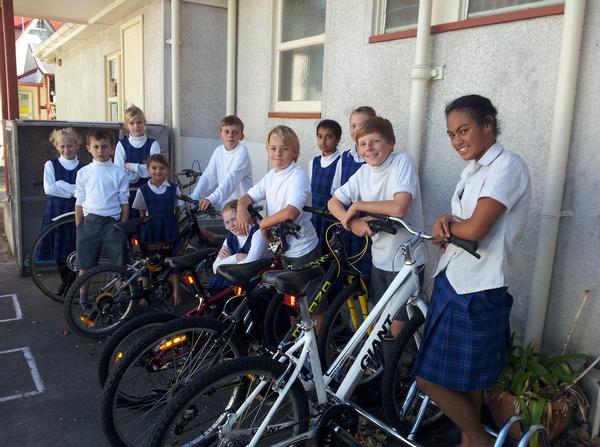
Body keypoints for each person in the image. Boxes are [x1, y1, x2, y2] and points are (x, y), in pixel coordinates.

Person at [413, 95, 531, 447]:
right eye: (450, 134)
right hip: (455, 279)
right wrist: (447, 222)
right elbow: (463, 223)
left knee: (428, 379)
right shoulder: (474, 170)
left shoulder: (507, 165)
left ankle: (479, 440)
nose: (456, 140)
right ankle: (469, 440)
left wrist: (444, 225)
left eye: (463, 130)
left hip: (477, 288)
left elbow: (477, 227)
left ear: (488, 124)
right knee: (467, 382)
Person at [328, 116, 425, 339]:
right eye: (362, 144)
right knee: (383, 317)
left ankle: (392, 371)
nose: (368, 149)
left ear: (390, 143)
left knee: (398, 326)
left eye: (375, 142)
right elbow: (333, 202)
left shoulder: (402, 162)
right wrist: (351, 222)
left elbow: (400, 206)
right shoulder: (363, 173)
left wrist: (359, 205)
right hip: (379, 258)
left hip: (406, 260)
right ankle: (385, 365)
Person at [236, 125, 319, 270]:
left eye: (284, 149)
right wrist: (241, 207)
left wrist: (263, 225)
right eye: (273, 148)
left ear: (295, 152)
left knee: (305, 291)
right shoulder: (271, 175)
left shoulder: (297, 175)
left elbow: (290, 212)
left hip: (302, 250)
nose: (278, 153)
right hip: (281, 247)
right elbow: (248, 196)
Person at [75, 128, 129, 307]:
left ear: (112, 148)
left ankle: (121, 296)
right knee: (85, 264)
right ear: (88, 148)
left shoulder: (119, 173)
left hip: (112, 224)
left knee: (118, 263)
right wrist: (79, 226)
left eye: (104, 146)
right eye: (96, 146)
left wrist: (123, 226)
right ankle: (83, 297)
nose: (100, 150)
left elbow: (124, 203)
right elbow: (80, 201)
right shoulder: (84, 173)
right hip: (89, 223)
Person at [36, 128, 85, 293]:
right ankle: (67, 283)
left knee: (76, 248)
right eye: (62, 146)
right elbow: (49, 188)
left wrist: (61, 184)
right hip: (57, 211)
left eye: (70, 146)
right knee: (60, 250)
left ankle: (73, 285)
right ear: (57, 146)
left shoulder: (84, 168)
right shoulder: (51, 165)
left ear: (77, 145)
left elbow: (84, 189)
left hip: (77, 211)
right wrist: (74, 190)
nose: (66, 149)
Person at [331, 106, 377, 277]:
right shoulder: (344, 159)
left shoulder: (376, 158)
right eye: (353, 125)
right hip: (347, 225)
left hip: (371, 226)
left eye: (363, 125)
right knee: (346, 270)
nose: (357, 130)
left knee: (367, 273)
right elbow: (335, 193)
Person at [132, 154, 184, 305]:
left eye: (162, 168)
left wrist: (175, 226)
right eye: (154, 168)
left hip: (169, 229)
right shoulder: (143, 190)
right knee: (148, 260)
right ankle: (146, 293)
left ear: (167, 170)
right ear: (148, 169)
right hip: (150, 230)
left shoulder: (174, 189)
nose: (158, 171)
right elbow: (142, 213)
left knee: (173, 260)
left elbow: (177, 210)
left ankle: (176, 291)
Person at [190, 115, 253, 211]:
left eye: (235, 132)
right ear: (220, 134)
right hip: (227, 207)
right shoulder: (218, 151)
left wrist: (211, 198)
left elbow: (232, 179)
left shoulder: (242, 152)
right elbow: (208, 175)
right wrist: (196, 195)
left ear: (241, 136)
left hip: (242, 206)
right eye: (226, 131)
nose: (230, 135)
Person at [209, 200, 268, 292]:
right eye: (227, 222)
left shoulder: (258, 234)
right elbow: (215, 267)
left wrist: (227, 261)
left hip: (256, 285)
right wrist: (237, 257)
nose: (231, 225)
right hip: (236, 283)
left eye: (234, 219)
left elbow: (249, 266)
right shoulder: (230, 239)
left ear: (244, 215)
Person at [114, 105, 161, 218]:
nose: (136, 126)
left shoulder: (153, 144)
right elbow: (118, 171)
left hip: (148, 193)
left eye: (139, 122)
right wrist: (137, 174)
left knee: (147, 229)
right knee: (129, 229)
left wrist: (132, 166)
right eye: (131, 123)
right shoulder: (122, 145)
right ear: (126, 125)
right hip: (127, 195)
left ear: (144, 122)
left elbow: (156, 171)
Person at [308, 119, 341, 246]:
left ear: (337, 139)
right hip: (313, 216)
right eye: (320, 136)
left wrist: (337, 229)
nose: (323, 141)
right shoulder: (313, 162)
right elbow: (309, 192)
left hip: (330, 217)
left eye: (329, 137)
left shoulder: (340, 162)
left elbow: (339, 197)